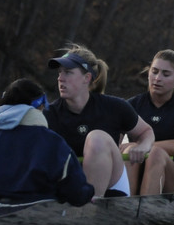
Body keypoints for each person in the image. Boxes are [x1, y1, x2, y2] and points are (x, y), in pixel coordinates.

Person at [0, 79, 94, 208]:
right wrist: (91, 191)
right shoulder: (56, 144)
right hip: (38, 215)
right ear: (41, 105)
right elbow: (77, 195)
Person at [45, 43, 154, 197]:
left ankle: (90, 206)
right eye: (59, 72)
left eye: (68, 72)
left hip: (112, 183)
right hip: (70, 182)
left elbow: (146, 132)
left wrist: (143, 146)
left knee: (97, 138)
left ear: (87, 78)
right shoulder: (49, 114)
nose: (60, 78)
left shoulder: (115, 107)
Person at [126, 49, 174, 195]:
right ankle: (124, 202)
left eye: (165, 74)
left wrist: (142, 146)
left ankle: (146, 205)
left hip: (173, 183)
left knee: (155, 153)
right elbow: (115, 145)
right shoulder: (131, 105)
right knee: (129, 151)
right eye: (154, 72)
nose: (157, 78)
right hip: (136, 172)